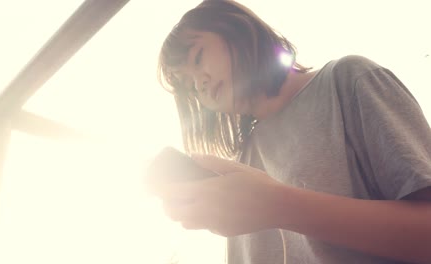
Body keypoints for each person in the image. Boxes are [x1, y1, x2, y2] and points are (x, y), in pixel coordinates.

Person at [152, 0, 431, 263]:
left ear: (236, 30)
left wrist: (276, 204)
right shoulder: (241, 165)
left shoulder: (347, 80)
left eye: (199, 58)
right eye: (188, 85)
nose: (199, 84)